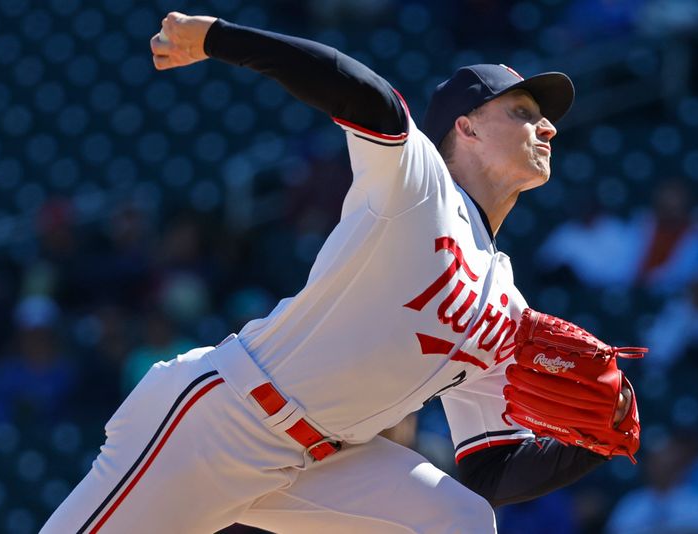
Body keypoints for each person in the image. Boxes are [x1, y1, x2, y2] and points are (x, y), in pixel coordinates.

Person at [43, 12, 634, 533]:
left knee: (459, 520)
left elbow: (489, 471)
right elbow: (366, 95)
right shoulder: (421, 187)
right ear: (467, 126)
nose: (548, 127)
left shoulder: (506, 303)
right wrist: (219, 39)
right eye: (524, 112)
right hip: (223, 422)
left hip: (324, 462)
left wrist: (593, 440)